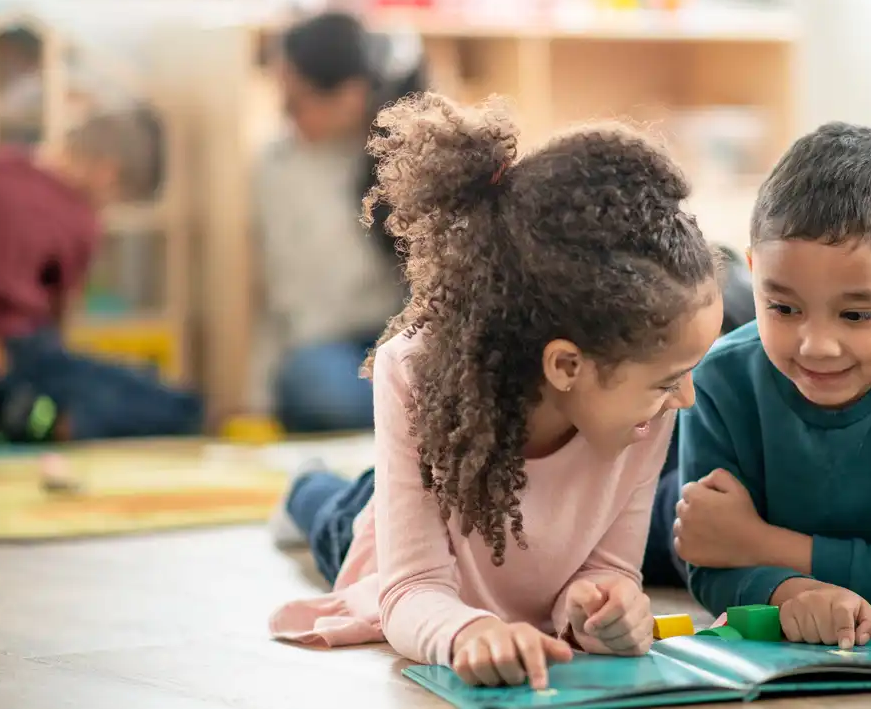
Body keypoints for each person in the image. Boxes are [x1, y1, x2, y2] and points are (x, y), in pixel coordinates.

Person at [267, 93, 724, 689]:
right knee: (339, 519)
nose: (685, 398)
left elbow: (607, 567)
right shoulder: (416, 371)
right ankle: (304, 485)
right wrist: (468, 634)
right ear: (566, 365)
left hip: (518, 551)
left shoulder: (647, 407)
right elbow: (412, 589)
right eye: (668, 382)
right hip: (413, 546)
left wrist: (602, 605)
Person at [653, 122, 871, 645]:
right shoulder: (721, 376)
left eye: (857, 315)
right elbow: (706, 555)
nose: (817, 345)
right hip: (662, 520)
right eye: (783, 307)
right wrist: (793, 593)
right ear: (754, 278)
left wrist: (759, 541)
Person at [0, 135, 204, 444]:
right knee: (181, 407)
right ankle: (39, 423)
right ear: (108, 172)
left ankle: (24, 418)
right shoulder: (75, 214)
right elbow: (57, 319)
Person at [251, 11, 425, 432]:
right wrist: (254, 396)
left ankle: (409, 421)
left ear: (350, 97)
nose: (285, 115)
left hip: (404, 341)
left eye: (295, 102)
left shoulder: (404, 158)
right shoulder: (277, 167)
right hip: (327, 351)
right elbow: (273, 298)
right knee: (319, 386)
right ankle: (407, 425)